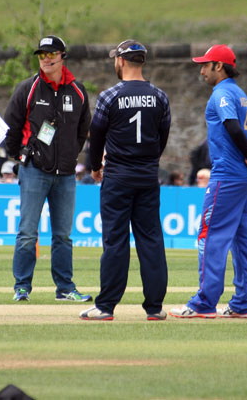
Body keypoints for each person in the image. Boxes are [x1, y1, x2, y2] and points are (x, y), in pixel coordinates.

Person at [171, 44, 247, 319]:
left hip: (227, 176)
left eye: (206, 65)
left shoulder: (222, 93)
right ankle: (244, 303)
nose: (202, 70)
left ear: (219, 66)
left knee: (210, 235)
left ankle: (203, 303)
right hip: (246, 177)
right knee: (244, 237)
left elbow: (232, 127)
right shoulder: (242, 96)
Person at [79, 39, 171, 321]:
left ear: (120, 61)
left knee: (115, 241)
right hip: (147, 177)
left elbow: (96, 136)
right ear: (142, 61)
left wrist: (96, 166)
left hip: (118, 177)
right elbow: (162, 137)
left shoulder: (110, 96)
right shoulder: (160, 96)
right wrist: (149, 161)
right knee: (151, 240)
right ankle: (155, 307)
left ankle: (106, 306)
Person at [3, 35, 92, 303]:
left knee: (63, 236)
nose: (46, 59)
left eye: (52, 54)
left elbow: (83, 130)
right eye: (42, 55)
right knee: (28, 233)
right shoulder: (27, 88)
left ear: (63, 56)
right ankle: (21, 287)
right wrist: (19, 156)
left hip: (65, 174)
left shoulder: (78, 90)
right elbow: (11, 127)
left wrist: (69, 156)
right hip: (34, 170)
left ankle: (65, 288)